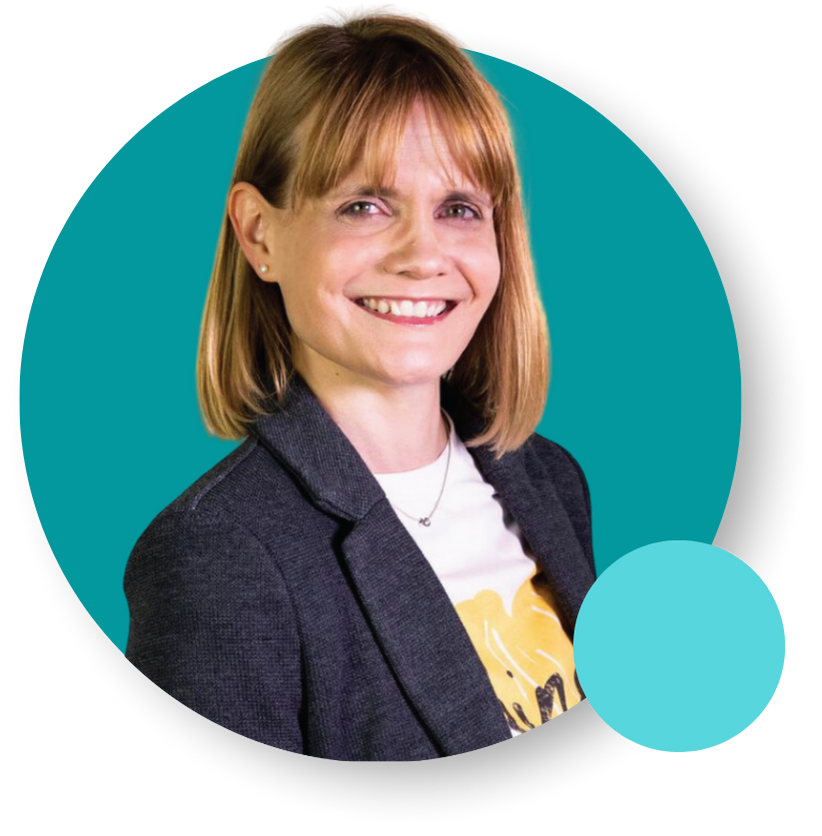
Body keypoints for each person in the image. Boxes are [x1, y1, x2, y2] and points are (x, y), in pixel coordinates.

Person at [124, 12, 596, 761]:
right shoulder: (216, 556)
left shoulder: (551, 478)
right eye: (364, 205)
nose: (423, 256)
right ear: (259, 233)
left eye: (459, 209)